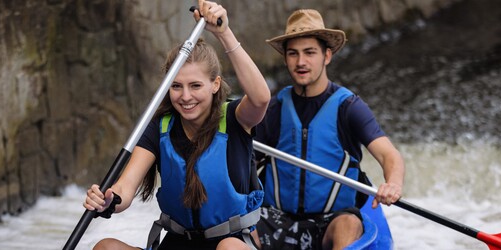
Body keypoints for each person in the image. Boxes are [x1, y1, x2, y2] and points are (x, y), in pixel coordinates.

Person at [83, 1, 270, 249]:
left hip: (228, 241)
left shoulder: (235, 119)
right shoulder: (159, 128)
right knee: (105, 246)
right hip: (177, 243)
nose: (185, 96)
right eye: (176, 86)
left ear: (215, 85)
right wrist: (108, 200)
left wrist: (224, 33)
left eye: (195, 86)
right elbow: (125, 189)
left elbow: (261, 98)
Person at [252, 9, 406, 250]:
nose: (301, 62)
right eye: (293, 54)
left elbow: (389, 155)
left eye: (309, 53)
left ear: (327, 56)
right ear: (285, 59)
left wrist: (393, 184)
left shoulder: (349, 108)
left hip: (330, 222)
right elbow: (241, 162)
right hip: (276, 220)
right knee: (237, 231)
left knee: (348, 224)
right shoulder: (273, 108)